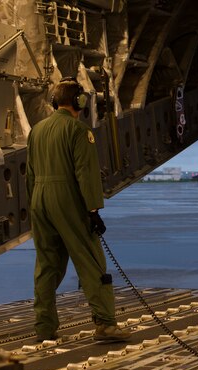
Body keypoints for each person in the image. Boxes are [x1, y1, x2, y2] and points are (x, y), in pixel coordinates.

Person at [26, 77, 131, 342]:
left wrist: (36, 205)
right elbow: (86, 173)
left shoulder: (36, 131)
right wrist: (93, 209)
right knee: (91, 259)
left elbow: (29, 174)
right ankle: (105, 324)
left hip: (39, 199)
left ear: (54, 102)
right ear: (79, 102)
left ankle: (44, 328)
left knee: (47, 265)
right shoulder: (78, 130)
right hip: (67, 198)